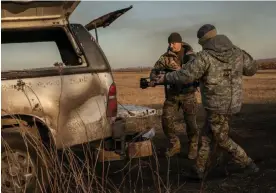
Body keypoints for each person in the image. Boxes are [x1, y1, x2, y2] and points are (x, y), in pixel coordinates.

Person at [154, 24, 259, 179]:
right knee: (207, 136)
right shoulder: (237, 52)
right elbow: (252, 69)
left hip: (216, 105)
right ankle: (199, 169)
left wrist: (165, 78)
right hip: (233, 103)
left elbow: (185, 75)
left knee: (221, 139)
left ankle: (247, 163)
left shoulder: (205, 56)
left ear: (203, 40)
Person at [149, 32, 200, 159]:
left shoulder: (191, 56)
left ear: (180, 42)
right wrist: (154, 79)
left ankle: (193, 147)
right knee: (166, 120)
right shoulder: (165, 57)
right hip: (172, 95)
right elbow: (154, 71)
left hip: (188, 94)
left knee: (191, 123)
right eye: (169, 43)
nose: (171, 46)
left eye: (173, 43)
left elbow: (198, 72)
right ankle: (175, 145)